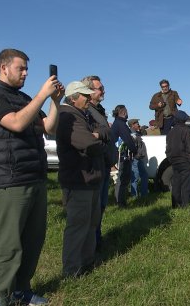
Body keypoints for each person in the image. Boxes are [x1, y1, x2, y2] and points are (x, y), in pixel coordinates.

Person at [0, 49, 63, 306]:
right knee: (9, 245)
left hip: (34, 177)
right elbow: (15, 123)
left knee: (32, 241)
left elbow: (48, 127)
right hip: (9, 180)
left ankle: (21, 291)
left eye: (27, 68)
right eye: (21, 68)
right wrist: (41, 95)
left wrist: (55, 102)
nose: (26, 73)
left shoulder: (24, 98)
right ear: (4, 68)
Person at [57, 81, 109, 277]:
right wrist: (100, 142)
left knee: (91, 223)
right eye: (85, 96)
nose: (88, 99)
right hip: (78, 181)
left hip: (90, 178)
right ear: (73, 98)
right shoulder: (67, 116)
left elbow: (104, 130)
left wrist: (98, 135)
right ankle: (72, 270)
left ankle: (87, 263)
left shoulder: (83, 114)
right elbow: (90, 144)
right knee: (78, 226)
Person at [81, 75, 116, 251]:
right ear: (88, 91)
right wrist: (105, 132)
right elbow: (95, 134)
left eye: (102, 87)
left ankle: (97, 239)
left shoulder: (98, 109)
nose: (103, 90)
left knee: (101, 205)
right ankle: (93, 243)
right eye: (99, 88)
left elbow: (105, 133)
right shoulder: (87, 111)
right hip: (95, 164)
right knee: (94, 208)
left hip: (104, 164)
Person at [165, 110, 190, 208]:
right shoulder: (187, 131)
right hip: (186, 161)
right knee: (186, 184)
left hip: (174, 161)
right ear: (184, 119)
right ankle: (185, 206)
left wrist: (171, 159)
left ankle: (175, 205)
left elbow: (168, 148)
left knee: (176, 183)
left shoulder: (171, 132)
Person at [111, 105, 137, 207]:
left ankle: (120, 200)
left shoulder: (117, 123)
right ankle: (120, 202)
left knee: (123, 179)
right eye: (126, 111)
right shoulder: (121, 124)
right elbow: (128, 140)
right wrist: (134, 151)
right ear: (123, 112)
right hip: (121, 155)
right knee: (123, 178)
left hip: (120, 154)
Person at [128, 118, 149, 198]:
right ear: (133, 125)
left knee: (144, 175)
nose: (138, 125)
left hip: (138, 158)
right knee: (135, 177)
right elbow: (133, 147)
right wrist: (136, 155)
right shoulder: (132, 134)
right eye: (137, 123)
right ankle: (135, 196)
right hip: (135, 159)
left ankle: (143, 194)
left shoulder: (136, 133)